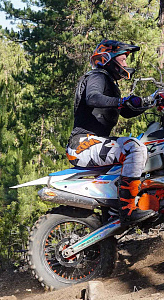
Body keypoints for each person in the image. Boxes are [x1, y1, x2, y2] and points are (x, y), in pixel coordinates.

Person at [66, 40, 155, 225]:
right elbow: (93, 98)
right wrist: (122, 101)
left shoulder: (110, 84)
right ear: (108, 59)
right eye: (123, 59)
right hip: (83, 144)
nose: (125, 64)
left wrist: (150, 102)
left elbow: (127, 112)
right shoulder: (97, 76)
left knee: (143, 145)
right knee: (134, 148)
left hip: (93, 144)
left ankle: (118, 209)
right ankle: (127, 210)